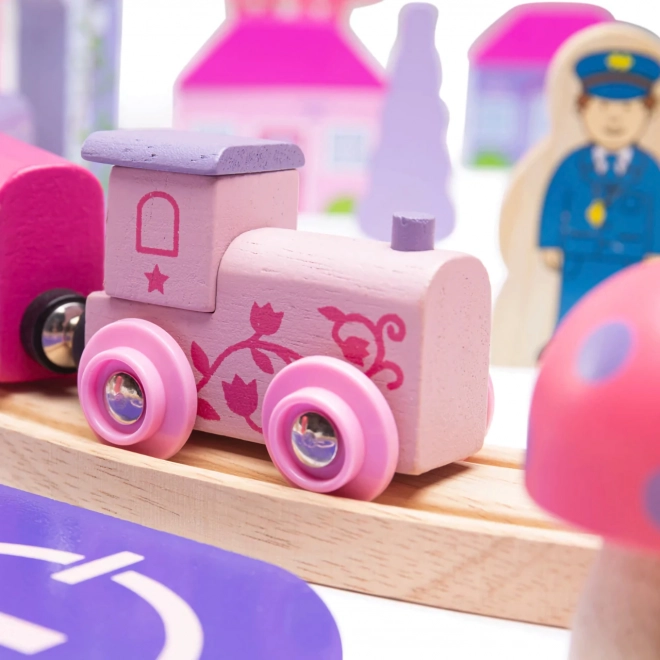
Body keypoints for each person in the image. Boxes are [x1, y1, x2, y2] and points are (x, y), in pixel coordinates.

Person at [539, 50, 660, 324]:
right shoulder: (572, 164)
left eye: (628, 108)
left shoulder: (649, 169)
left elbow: (658, 209)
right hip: (579, 257)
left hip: (629, 260)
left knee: (623, 314)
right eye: (603, 106)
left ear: (647, 111)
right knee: (574, 313)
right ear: (583, 107)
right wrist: (549, 243)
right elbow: (554, 201)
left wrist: (656, 250)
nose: (614, 119)